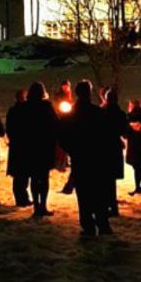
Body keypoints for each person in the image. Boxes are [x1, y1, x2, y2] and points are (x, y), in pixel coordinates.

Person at [60, 80, 113, 237]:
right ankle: (102, 223)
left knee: (84, 194)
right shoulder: (97, 112)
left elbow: (63, 136)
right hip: (96, 158)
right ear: (89, 93)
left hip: (81, 158)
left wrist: (72, 150)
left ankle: (88, 224)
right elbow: (107, 135)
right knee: (99, 192)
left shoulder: (71, 114)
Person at [20, 82, 59, 216]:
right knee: (43, 177)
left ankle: (36, 206)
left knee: (34, 178)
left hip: (30, 147)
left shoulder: (25, 107)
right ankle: (42, 205)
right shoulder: (46, 106)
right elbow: (55, 124)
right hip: (44, 147)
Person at [102, 87, 129, 218]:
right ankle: (112, 205)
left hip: (103, 147)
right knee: (111, 179)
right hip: (114, 147)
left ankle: (108, 205)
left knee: (105, 178)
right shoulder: (121, 114)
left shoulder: (102, 112)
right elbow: (125, 132)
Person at [5, 90, 31, 207]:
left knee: (19, 174)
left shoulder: (12, 111)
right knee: (22, 173)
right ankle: (22, 198)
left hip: (17, 145)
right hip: (23, 146)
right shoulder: (25, 110)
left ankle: (21, 198)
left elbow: (8, 128)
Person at [53, 80, 75, 194]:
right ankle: (60, 162)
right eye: (64, 86)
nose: (66, 88)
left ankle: (65, 161)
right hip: (61, 119)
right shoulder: (59, 96)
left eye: (68, 86)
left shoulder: (69, 96)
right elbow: (57, 106)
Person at [125, 100, 141, 195]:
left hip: (134, 144)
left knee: (136, 167)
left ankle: (138, 187)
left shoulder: (129, 116)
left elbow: (126, 131)